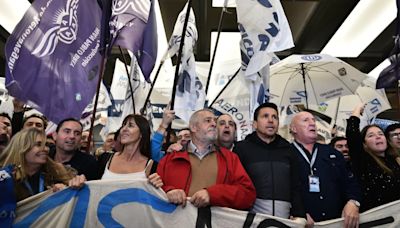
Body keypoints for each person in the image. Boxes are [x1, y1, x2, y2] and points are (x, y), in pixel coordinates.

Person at [157, 109, 256, 209]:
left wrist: (213, 195)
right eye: (208, 120)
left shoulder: (230, 158)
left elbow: (248, 195)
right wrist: (168, 191)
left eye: (215, 121)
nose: (214, 124)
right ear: (193, 127)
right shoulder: (170, 159)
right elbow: (153, 190)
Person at [234, 103, 305, 219]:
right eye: (265, 116)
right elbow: (236, 185)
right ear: (255, 124)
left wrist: (299, 214)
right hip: (251, 221)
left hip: (284, 220)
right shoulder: (242, 149)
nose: (271, 120)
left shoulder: (289, 150)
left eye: (274, 117)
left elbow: (296, 186)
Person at [290, 111, 361, 227]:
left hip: (337, 222)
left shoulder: (333, 153)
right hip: (304, 223)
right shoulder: (285, 154)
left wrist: (353, 202)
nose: (312, 123)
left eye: (313, 120)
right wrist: (297, 212)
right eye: (306, 120)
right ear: (294, 129)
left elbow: (351, 183)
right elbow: (282, 190)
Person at [0, 128, 85, 201]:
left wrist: (71, 187)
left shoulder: (58, 173)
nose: (45, 149)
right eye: (38, 144)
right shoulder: (4, 177)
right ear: (22, 147)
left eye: (46, 145)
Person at [347, 104, 400, 212]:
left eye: (380, 134)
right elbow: (352, 136)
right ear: (364, 144)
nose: (378, 137)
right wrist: (356, 112)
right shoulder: (363, 161)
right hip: (379, 218)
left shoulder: (394, 160)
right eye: (371, 135)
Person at [97, 115, 161, 187]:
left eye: (130, 125)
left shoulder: (152, 166)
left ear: (141, 133)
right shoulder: (105, 159)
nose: (124, 129)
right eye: (123, 125)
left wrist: (156, 184)